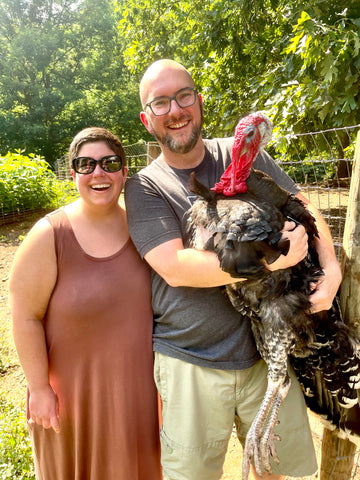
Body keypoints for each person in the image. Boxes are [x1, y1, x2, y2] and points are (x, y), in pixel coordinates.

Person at [124, 59, 342, 480]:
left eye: (184, 96)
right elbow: (175, 267)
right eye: (161, 102)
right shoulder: (146, 186)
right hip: (193, 360)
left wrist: (330, 268)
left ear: (199, 101)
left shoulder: (241, 152)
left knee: (274, 472)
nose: (176, 110)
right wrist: (275, 258)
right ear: (146, 117)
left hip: (264, 352)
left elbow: (304, 207)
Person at [9, 127, 162, 480]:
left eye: (110, 163)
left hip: (136, 398)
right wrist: (39, 388)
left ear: (125, 171)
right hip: (72, 401)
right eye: (86, 164)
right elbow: (25, 316)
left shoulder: (146, 229)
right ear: (73, 172)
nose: (99, 173)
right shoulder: (50, 234)